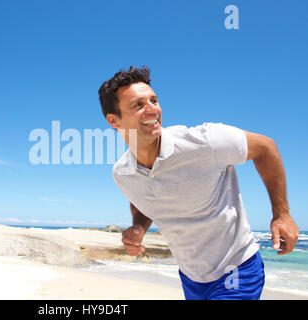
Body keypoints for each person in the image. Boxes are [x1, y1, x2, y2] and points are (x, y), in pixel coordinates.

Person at [98, 66, 299, 300]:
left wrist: (282, 214)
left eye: (154, 100)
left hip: (237, 270)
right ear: (114, 120)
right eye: (138, 105)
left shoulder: (205, 142)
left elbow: (265, 147)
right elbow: (142, 200)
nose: (152, 109)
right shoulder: (123, 173)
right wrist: (139, 227)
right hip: (191, 277)